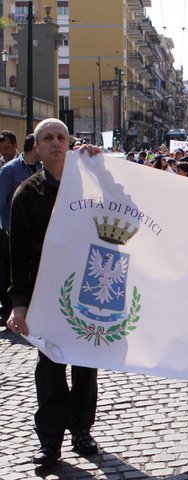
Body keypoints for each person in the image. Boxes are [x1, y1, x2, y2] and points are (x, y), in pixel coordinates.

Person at [5, 118, 104, 465]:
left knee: (85, 366)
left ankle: (82, 430)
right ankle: (50, 441)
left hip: (87, 293)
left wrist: (99, 162)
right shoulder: (27, 193)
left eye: (62, 137)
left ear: (70, 142)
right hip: (45, 296)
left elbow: (128, 207)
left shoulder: (93, 186)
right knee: (48, 370)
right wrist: (18, 304)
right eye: (48, 138)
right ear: (37, 146)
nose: (56, 143)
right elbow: (17, 253)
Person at [0, 134, 41, 326]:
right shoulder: (9, 171)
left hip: (39, 235)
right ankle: (10, 311)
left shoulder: (42, 168)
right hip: (12, 233)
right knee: (13, 274)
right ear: (36, 147)